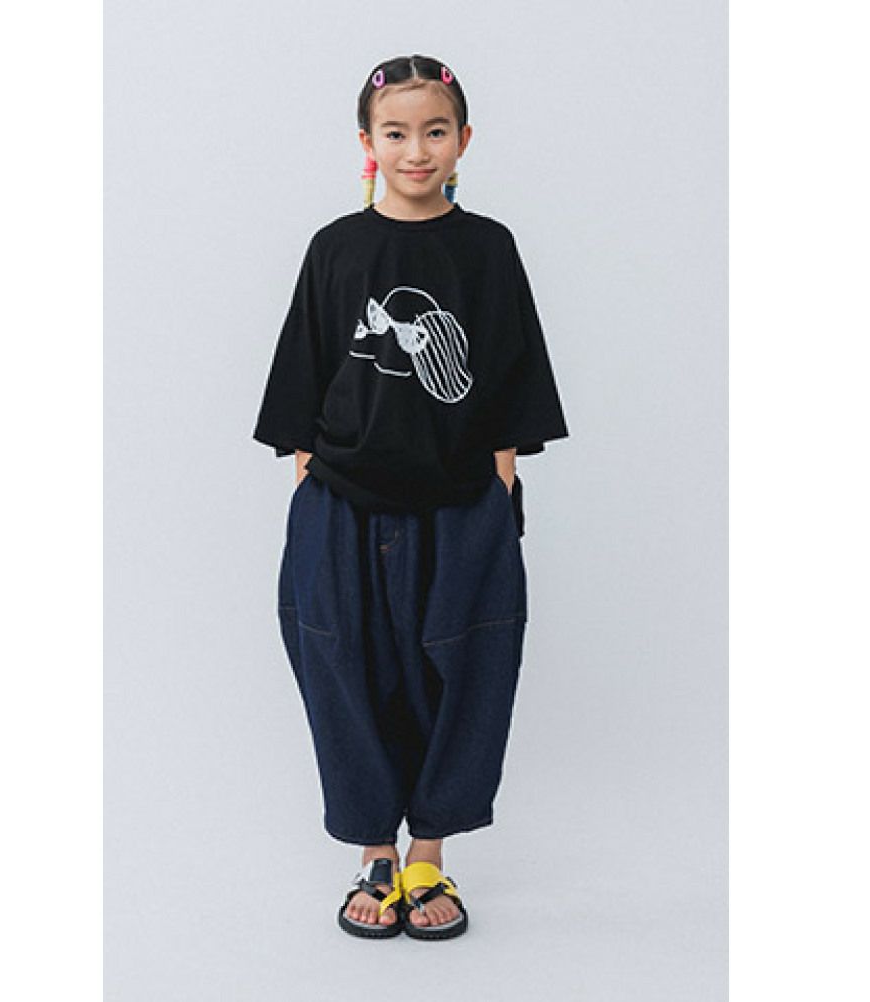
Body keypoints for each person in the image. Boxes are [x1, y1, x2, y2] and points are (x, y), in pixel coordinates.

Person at [252, 54, 569, 940]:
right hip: (342, 505)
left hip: (461, 503)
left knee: (462, 673)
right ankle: (374, 855)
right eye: (396, 133)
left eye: (435, 131)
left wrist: (500, 486)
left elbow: (509, 373)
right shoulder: (336, 249)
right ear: (368, 143)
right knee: (346, 672)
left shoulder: (488, 248)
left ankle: (427, 853)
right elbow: (306, 371)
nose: (417, 150)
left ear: (463, 139)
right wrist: (310, 482)